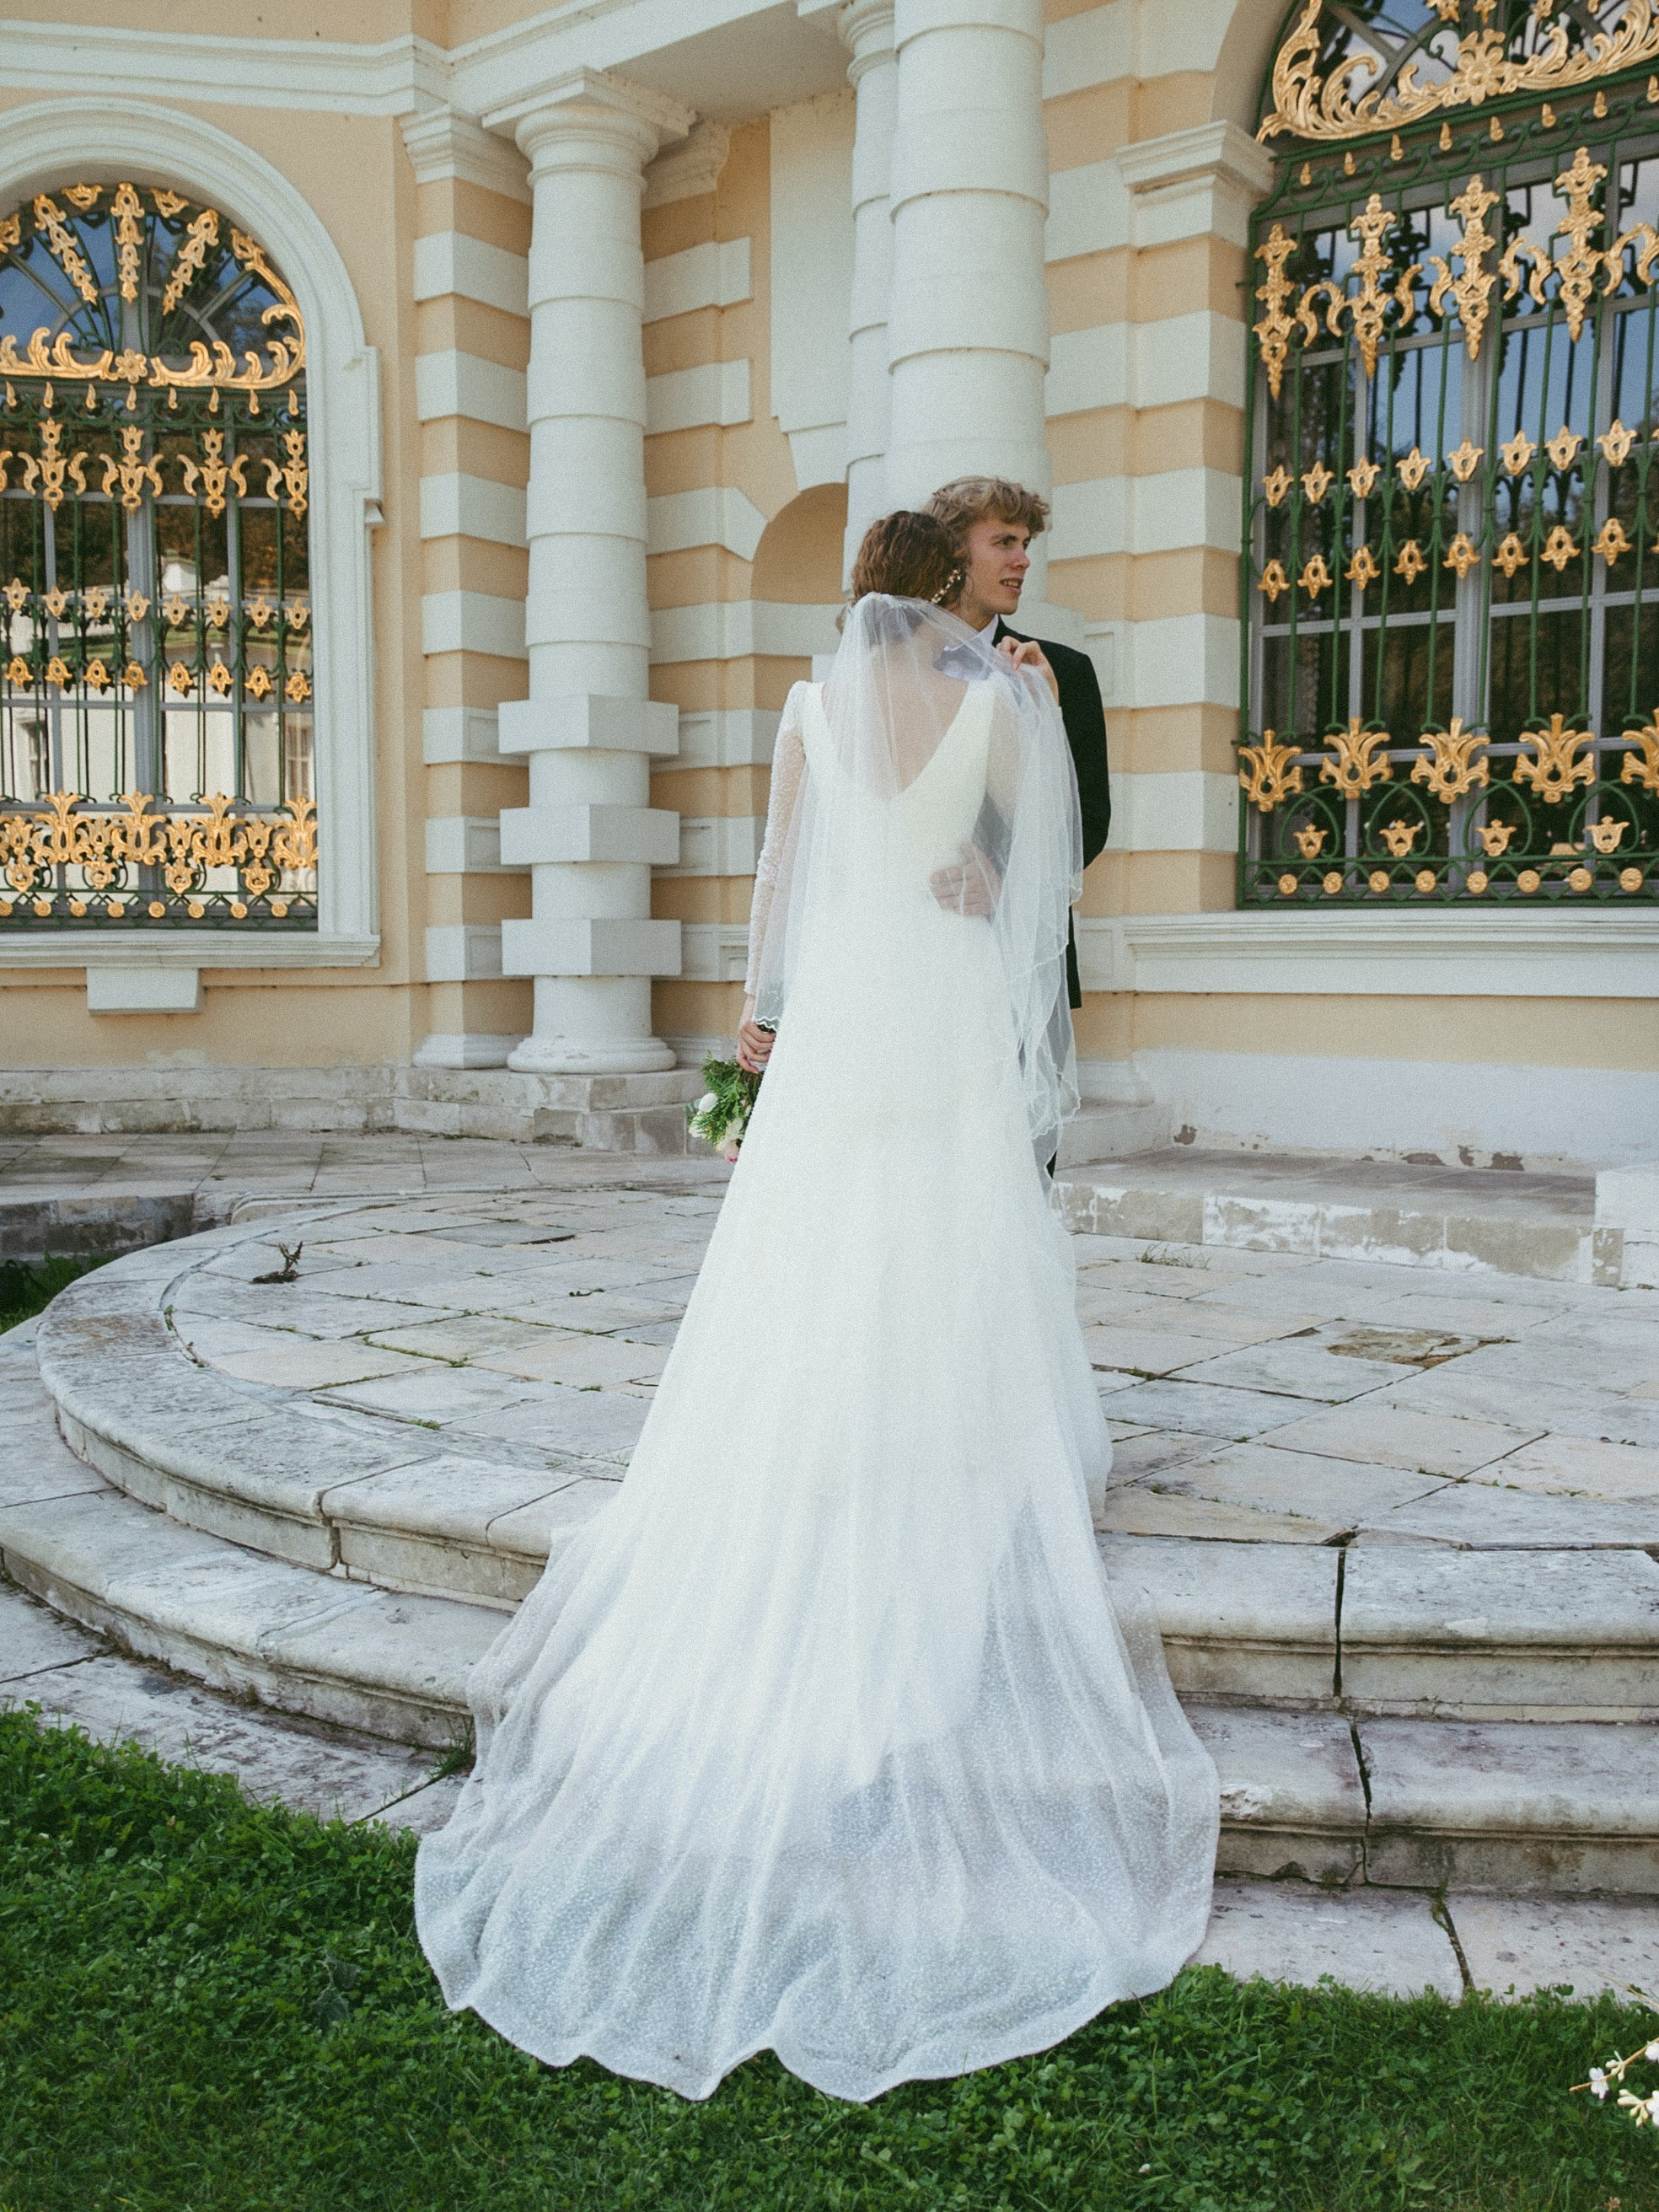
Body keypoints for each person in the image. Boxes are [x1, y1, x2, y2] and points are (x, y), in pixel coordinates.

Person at [415, 510, 1218, 2106]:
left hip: (845, 1005)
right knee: (952, 1232)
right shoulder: (1000, 696)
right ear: (945, 590)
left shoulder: (807, 704)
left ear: (859, 594)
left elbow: (780, 873)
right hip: (939, 1000)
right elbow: (1013, 883)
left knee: (820, 1237)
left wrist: (756, 1011)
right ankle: (951, 1440)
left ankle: (825, 1432)